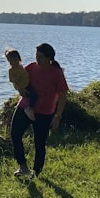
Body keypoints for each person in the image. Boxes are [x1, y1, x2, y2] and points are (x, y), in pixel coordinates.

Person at [10, 42, 68, 179]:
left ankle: (36, 172)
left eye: (40, 57)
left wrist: (57, 116)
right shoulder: (31, 67)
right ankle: (23, 166)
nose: (37, 59)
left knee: (39, 142)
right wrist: (19, 89)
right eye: (36, 56)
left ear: (49, 58)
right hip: (25, 107)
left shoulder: (56, 73)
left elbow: (63, 95)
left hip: (45, 112)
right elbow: (19, 79)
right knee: (15, 134)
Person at [4, 48, 37, 120]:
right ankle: (29, 108)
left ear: (19, 59)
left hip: (27, 84)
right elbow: (11, 80)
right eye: (11, 61)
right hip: (23, 86)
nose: (14, 62)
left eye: (15, 60)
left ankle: (29, 107)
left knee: (35, 93)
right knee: (34, 95)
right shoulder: (11, 70)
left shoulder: (21, 67)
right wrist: (18, 77)